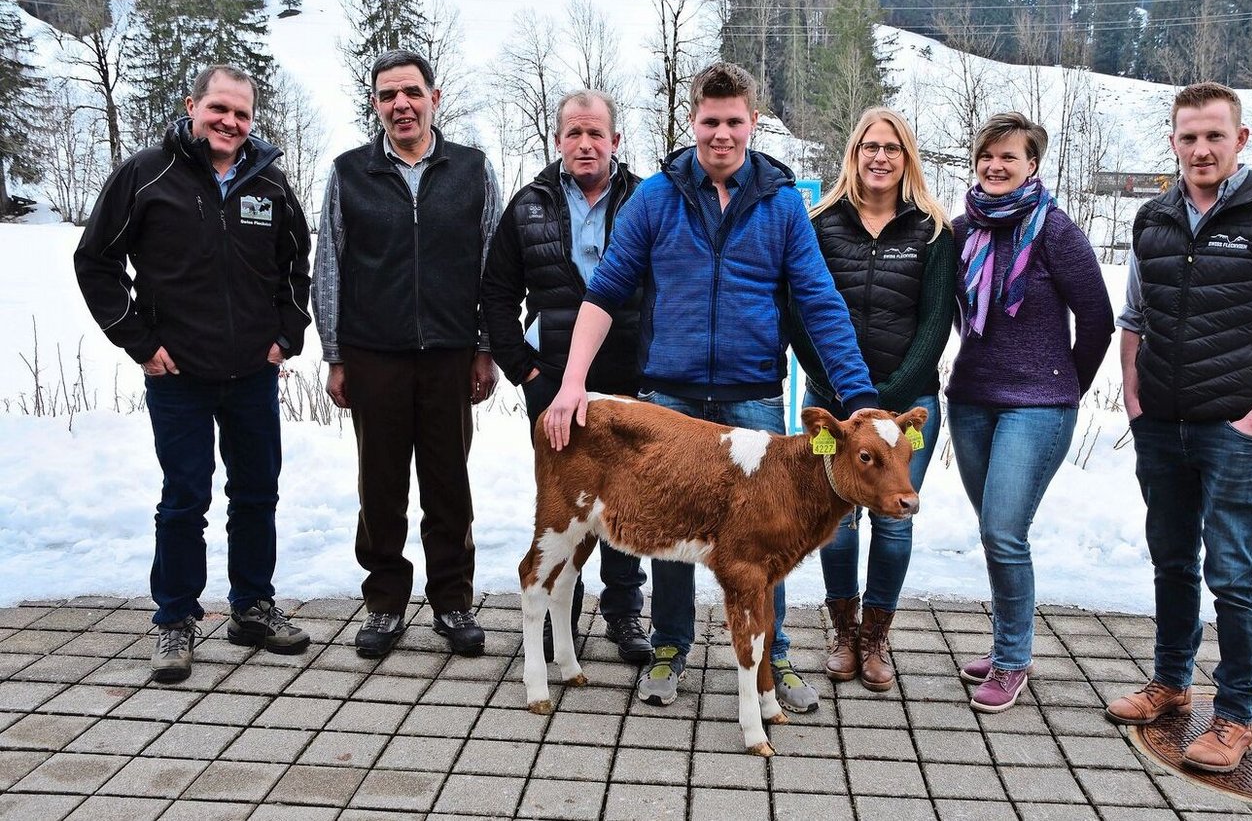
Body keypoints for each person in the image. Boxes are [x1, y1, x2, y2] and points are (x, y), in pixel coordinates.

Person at [543, 62, 879, 713]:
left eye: (733, 122)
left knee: (770, 533)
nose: (721, 133)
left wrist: (857, 393)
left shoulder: (782, 203)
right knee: (669, 525)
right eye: (709, 121)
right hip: (668, 397)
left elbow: (820, 302)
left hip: (752, 396)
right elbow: (605, 291)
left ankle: (773, 655)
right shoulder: (657, 198)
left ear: (752, 123)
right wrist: (571, 382)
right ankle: (669, 645)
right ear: (692, 122)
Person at [1107, 82, 1252, 773]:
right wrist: (1135, 400)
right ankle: (1172, 684)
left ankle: (1234, 716)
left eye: (1214, 135)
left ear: (1241, 140)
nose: (1200, 149)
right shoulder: (1153, 220)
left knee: (1234, 573)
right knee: (1172, 560)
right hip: (1162, 427)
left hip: (1233, 429)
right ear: (1172, 142)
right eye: (1188, 137)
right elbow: (1134, 320)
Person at [74, 64, 313, 683]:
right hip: (177, 374)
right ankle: (175, 619)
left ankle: (251, 606)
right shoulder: (146, 174)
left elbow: (296, 270)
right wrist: (140, 343)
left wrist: (287, 335)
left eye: (241, 113)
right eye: (218, 109)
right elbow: (95, 261)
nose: (229, 122)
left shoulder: (271, 185)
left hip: (253, 375)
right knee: (185, 497)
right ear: (192, 106)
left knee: (257, 492)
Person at [313, 49, 501, 660]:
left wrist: (484, 346)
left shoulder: (472, 170)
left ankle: (452, 601)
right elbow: (329, 269)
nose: (402, 105)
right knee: (382, 487)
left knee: (449, 485)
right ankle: (386, 604)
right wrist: (336, 355)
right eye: (389, 95)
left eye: (412, 92)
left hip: (450, 355)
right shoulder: (349, 174)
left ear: (433, 98)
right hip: (375, 356)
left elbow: (490, 266)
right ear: (376, 104)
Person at [947, 112, 1113, 713]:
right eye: (987, 157)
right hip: (971, 401)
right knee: (996, 534)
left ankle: (1014, 661)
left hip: (1037, 407)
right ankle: (1004, 646)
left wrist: (1066, 385)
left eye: (1009, 157)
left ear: (1032, 164)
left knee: (1003, 532)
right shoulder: (962, 228)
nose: (996, 166)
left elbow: (1097, 319)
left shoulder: (1057, 232)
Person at [480, 89, 651, 665]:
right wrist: (524, 371)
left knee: (628, 499)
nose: (585, 144)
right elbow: (497, 294)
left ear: (615, 142)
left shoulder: (647, 200)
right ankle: (559, 617)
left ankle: (625, 613)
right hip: (552, 381)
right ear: (558, 141)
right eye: (574, 134)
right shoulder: (528, 205)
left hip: (628, 377)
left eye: (595, 134)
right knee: (564, 500)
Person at [790, 106, 956, 693]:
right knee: (836, 518)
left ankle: (876, 635)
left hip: (909, 406)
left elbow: (937, 323)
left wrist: (885, 404)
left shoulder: (933, 229)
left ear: (906, 156)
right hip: (832, 403)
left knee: (894, 517)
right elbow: (799, 315)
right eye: (869, 147)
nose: (880, 157)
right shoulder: (819, 224)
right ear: (853, 155)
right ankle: (842, 630)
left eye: (891, 147)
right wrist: (843, 397)